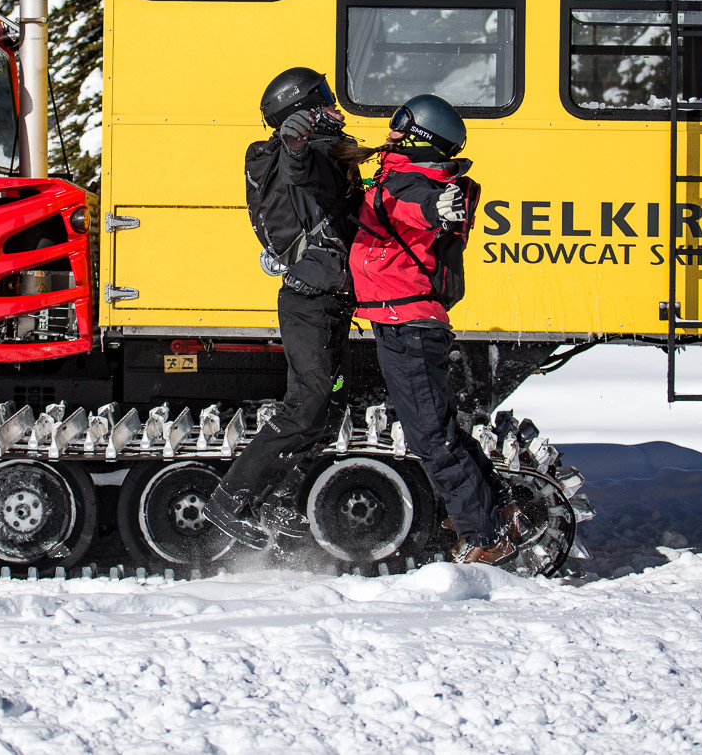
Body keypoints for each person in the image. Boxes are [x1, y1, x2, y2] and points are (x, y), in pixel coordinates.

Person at [348, 94, 519, 566]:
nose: (391, 130)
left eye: (401, 123)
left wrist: (437, 208)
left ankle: (484, 535)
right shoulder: (398, 174)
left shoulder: (417, 183)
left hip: (409, 326)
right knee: (439, 431)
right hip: (403, 322)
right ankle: (498, 508)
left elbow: (419, 205)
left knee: (431, 439)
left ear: (422, 136)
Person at [206, 67, 368, 548]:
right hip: (310, 300)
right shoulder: (301, 156)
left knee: (328, 406)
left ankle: (278, 499)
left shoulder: (314, 152)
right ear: (301, 109)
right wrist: (298, 149)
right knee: (306, 405)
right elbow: (310, 178)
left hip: (328, 298)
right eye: (323, 96)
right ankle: (228, 500)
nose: (333, 103)